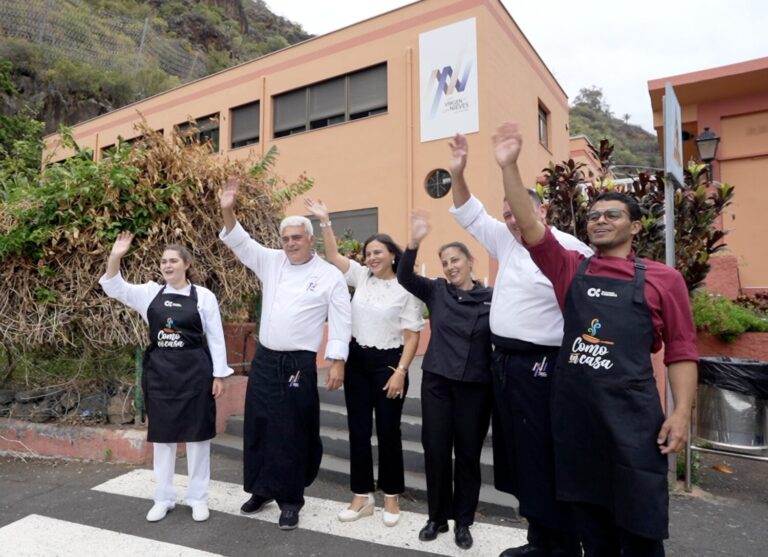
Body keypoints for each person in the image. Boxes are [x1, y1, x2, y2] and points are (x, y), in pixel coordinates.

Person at [493, 121, 699, 557]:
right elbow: (529, 225)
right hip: (577, 418)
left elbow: (682, 351)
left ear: (636, 227)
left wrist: (680, 415)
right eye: (593, 216)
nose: (600, 221)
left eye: (612, 215)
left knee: (641, 530)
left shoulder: (665, 279)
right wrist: (509, 166)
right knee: (592, 530)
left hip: (633, 419)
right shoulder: (570, 267)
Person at [448, 133, 591, 557]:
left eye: (519, 212)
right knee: (517, 459)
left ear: (541, 210)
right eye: (507, 213)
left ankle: (561, 546)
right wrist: (457, 172)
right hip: (504, 366)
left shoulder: (570, 249)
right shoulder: (506, 240)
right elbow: (468, 212)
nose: (511, 220)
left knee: (542, 458)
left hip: (542, 369)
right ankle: (539, 540)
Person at [219, 178, 352, 531]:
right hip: (265, 358)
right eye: (286, 238)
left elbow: (341, 319)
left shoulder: (328, 275)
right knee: (259, 424)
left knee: (291, 430)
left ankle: (290, 500)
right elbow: (240, 242)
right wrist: (227, 209)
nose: (291, 243)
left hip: (298, 364)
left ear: (311, 239)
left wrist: (337, 360)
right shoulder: (272, 262)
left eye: (297, 237)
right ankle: (261, 489)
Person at [303, 198, 424, 527]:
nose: (371, 257)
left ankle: (391, 497)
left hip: (389, 365)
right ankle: (360, 497)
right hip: (357, 360)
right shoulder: (361, 277)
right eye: (368, 252)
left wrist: (401, 371)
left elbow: (412, 336)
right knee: (358, 430)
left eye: (378, 252)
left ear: (392, 255)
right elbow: (332, 256)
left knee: (388, 432)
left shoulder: (406, 288)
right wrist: (325, 221)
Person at [100, 232, 232, 523]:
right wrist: (115, 256)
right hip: (160, 374)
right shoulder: (149, 293)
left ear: (186, 264)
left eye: (173, 260)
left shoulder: (204, 296)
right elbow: (113, 286)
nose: (167, 265)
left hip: (196, 372)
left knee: (198, 438)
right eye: (163, 261)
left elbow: (216, 337)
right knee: (163, 439)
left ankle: (198, 498)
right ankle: (163, 497)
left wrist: (220, 374)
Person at [396, 210, 493, 551]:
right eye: (445, 262)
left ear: (470, 261)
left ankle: (463, 521)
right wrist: (413, 242)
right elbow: (404, 277)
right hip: (438, 382)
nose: (450, 266)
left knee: (467, 455)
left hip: (476, 388)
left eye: (455, 260)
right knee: (436, 451)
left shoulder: (492, 298)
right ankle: (437, 517)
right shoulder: (437, 291)